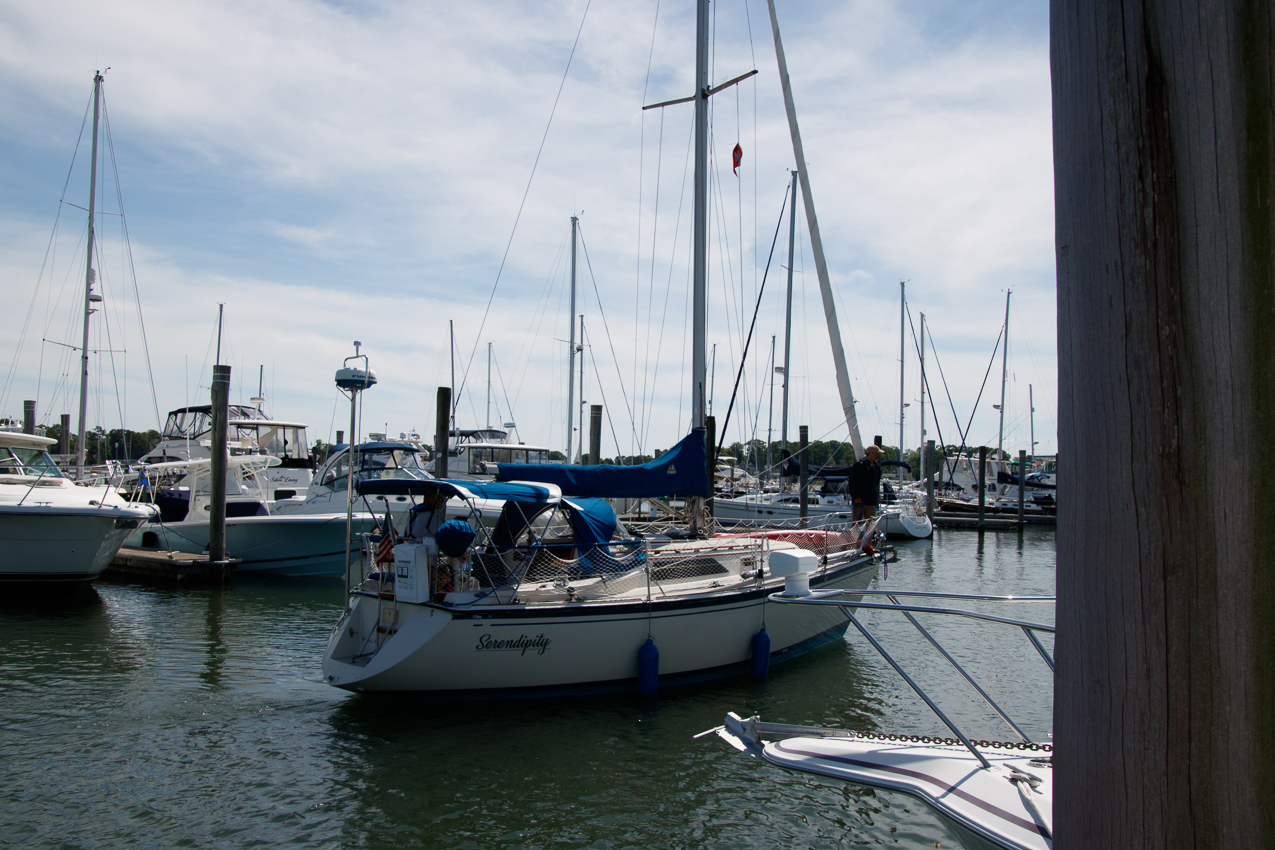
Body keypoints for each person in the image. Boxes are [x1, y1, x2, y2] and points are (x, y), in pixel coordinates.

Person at [848, 444, 884, 521]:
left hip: (871, 501)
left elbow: (876, 483)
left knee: (871, 524)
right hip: (859, 501)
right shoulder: (858, 466)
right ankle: (855, 534)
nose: (879, 455)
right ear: (871, 453)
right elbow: (852, 482)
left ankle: (870, 534)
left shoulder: (877, 467)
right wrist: (856, 497)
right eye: (877, 454)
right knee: (856, 524)